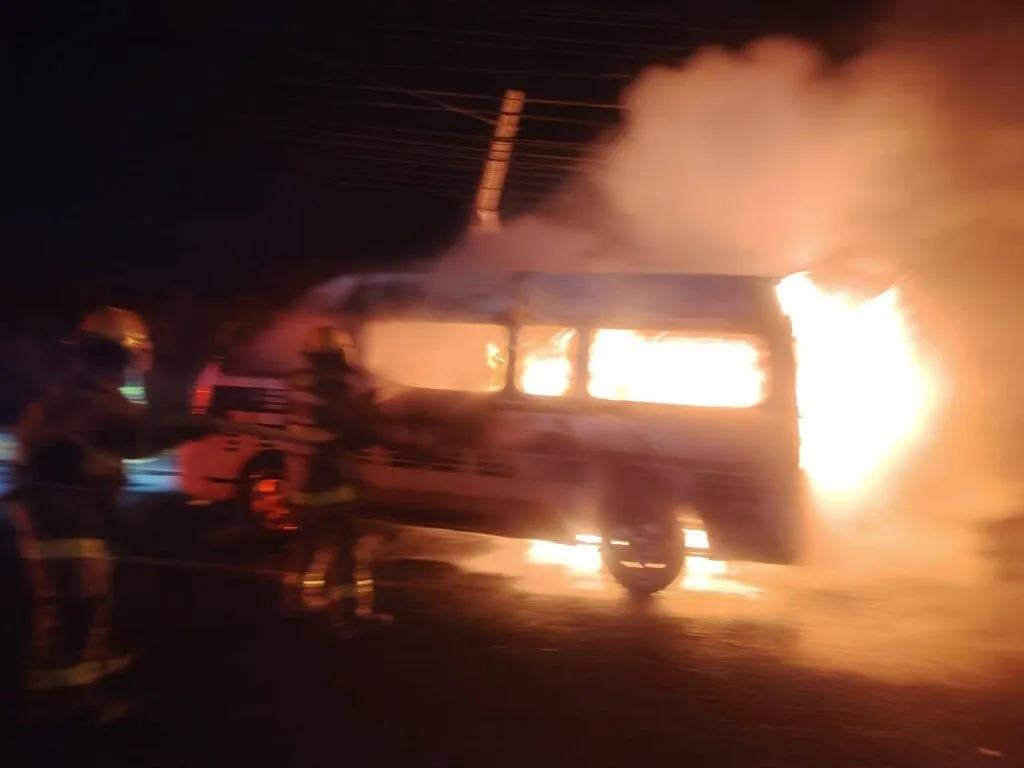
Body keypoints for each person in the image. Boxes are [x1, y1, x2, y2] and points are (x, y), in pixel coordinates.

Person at [11, 306, 210, 728]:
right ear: (120, 354)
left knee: (81, 604)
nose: (139, 363)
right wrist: (191, 427)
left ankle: (76, 684)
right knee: (76, 607)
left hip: (64, 512)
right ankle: (67, 706)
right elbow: (133, 436)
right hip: (64, 516)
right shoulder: (88, 396)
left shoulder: (77, 391)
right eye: (135, 353)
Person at [282, 325, 390, 637]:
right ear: (336, 356)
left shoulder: (298, 383)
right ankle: (344, 616)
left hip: (299, 478)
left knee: (305, 544)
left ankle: (291, 603)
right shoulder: (333, 387)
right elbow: (355, 428)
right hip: (329, 480)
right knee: (344, 547)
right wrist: (369, 409)